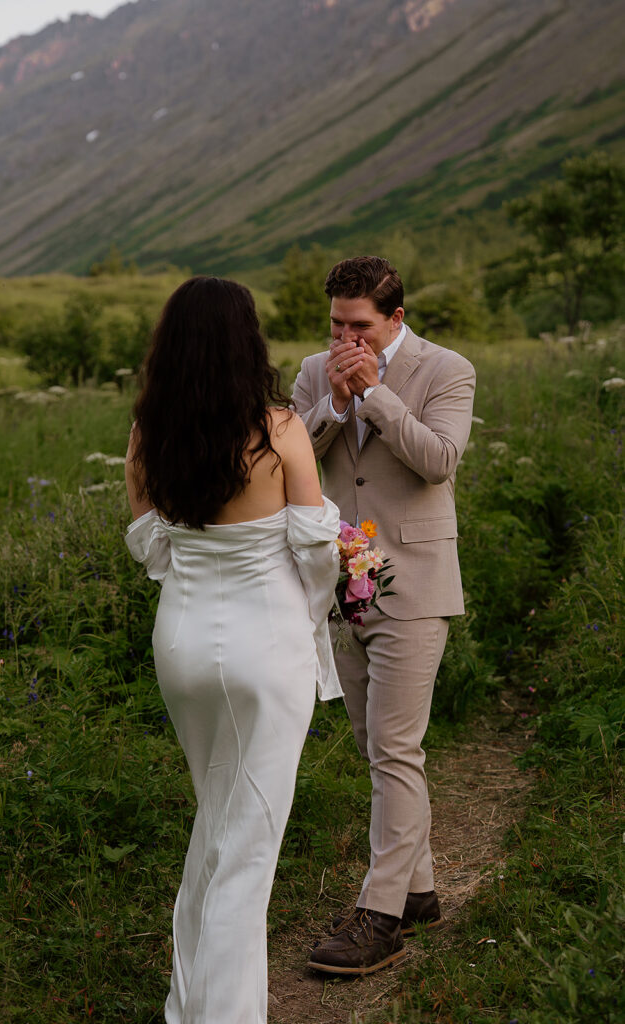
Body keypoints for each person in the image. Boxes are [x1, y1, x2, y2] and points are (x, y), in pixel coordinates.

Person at [123, 276, 341, 1024]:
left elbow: (152, 546)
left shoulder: (149, 431)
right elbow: (316, 551)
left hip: (181, 641)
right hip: (263, 643)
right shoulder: (278, 429)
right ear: (246, 342)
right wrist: (320, 610)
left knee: (216, 823)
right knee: (247, 845)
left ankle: (188, 1006)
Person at [292, 256, 475, 975]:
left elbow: (437, 461)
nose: (345, 339)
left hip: (416, 581)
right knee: (376, 747)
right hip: (339, 583)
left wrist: (375, 397)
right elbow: (287, 464)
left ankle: (380, 916)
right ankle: (419, 889)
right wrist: (333, 406)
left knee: (395, 748)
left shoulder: (445, 368)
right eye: (336, 324)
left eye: (359, 326)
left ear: (394, 318)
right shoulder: (315, 372)